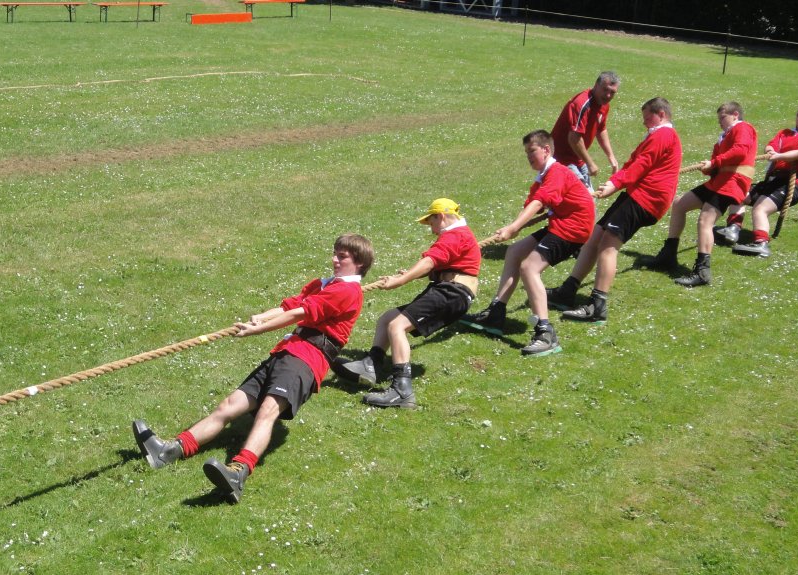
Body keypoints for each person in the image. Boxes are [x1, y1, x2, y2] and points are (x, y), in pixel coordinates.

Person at [131, 234, 374, 504]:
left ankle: (238, 472)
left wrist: (259, 330)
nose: (334, 259)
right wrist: (261, 317)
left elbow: (300, 314)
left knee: (268, 410)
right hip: (285, 353)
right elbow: (290, 306)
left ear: (360, 262)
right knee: (229, 405)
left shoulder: (348, 291)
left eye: (342, 256)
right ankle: (168, 452)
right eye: (335, 253)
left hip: (307, 360)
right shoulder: (324, 284)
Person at [332, 198, 480, 409]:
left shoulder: (455, 235)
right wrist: (409, 273)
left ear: (441, 216)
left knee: (397, 326)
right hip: (449, 289)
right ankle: (371, 365)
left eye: (432, 223)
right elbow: (437, 265)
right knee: (387, 319)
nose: (432, 229)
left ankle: (402, 391)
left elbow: (430, 261)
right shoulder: (459, 236)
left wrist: (401, 281)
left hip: (452, 292)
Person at [459, 130, 595, 355]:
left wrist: (514, 228)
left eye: (532, 151)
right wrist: (514, 227)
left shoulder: (557, 173)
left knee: (529, 268)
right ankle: (496, 313)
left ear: (546, 150)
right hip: (560, 223)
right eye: (526, 153)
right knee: (514, 251)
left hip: (573, 229)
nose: (529, 157)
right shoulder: (543, 175)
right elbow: (532, 204)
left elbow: (538, 203)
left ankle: (545, 332)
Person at [548, 97, 683, 323]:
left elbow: (642, 164)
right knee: (595, 237)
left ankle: (597, 306)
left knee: (607, 246)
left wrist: (615, 184)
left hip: (645, 199)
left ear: (661, 114)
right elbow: (633, 163)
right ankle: (567, 291)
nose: (644, 122)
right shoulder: (656, 134)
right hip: (635, 195)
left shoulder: (664, 135)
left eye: (647, 117)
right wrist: (615, 182)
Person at [644, 101, 758, 287]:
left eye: (723, 118)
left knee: (705, 220)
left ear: (735, 115)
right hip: (719, 182)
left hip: (732, 183)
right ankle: (668, 255)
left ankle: (702, 271)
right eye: (719, 119)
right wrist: (710, 168)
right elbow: (718, 163)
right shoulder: (724, 137)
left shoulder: (743, 128)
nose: (720, 122)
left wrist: (715, 162)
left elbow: (740, 151)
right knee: (680, 204)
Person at [714, 103, 798, 257]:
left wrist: (779, 156)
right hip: (773, 180)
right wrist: (771, 151)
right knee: (738, 194)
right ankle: (733, 229)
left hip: (792, 184)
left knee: (760, 208)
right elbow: (771, 145)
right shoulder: (785, 133)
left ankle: (761, 244)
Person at [550, 71, 621, 190]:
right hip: (561, 159)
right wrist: (590, 163)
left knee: (586, 198)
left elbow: (601, 128)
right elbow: (574, 138)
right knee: (582, 196)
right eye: (605, 90)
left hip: (577, 158)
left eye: (612, 92)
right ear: (596, 85)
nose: (608, 95)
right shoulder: (582, 104)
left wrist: (611, 156)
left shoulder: (604, 104)